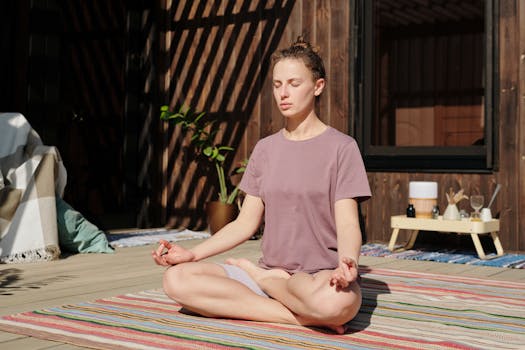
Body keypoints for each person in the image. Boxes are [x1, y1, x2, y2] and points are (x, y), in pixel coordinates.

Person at [152, 37, 371, 334]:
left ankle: (274, 291)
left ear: (318, 86)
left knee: (338, 305)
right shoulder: (265, 150)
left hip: (319, 278)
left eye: (294, 83)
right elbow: (245, 224)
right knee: (176, 280)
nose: (283, 93)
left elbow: (348, 224)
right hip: (269, 272)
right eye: (277, 84)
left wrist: (348, 265)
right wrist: (192, 254)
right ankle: (296, 315)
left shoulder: (342, 148)